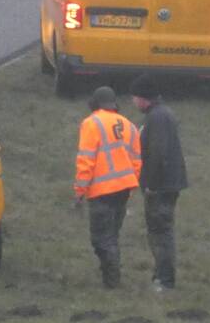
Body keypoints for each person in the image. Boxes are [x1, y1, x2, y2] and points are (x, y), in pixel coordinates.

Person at [74, 85, 142, 288]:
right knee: (112, 234)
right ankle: (110, 276)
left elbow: (86, 160)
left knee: (101, 239)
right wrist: (130, 187)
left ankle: (112, 280)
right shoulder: (129, 126)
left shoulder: (91, 123)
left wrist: (79, 191)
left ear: (94, 104)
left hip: (101, 192)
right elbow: (137, 162)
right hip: (123, 190)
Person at [130, 72, 188, 292]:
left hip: (161, 186)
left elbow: (158, 152)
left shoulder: (157, 117)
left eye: (134, 97)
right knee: (159, 231)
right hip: (166, 183)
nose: (133, 101)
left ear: (143, 97)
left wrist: (150, 184)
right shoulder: (160, 114)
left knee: (160, 232)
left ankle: (165, 280)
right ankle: (161, 275)